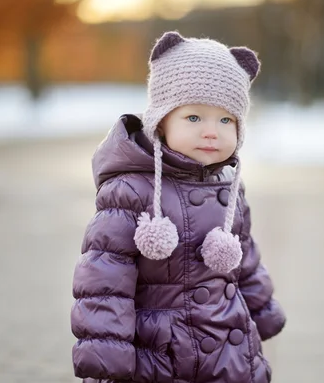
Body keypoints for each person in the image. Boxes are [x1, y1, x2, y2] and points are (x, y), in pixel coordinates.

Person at [70, 31, 286, 383]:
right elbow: (105, 277)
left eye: (225, 120)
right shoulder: (131, 188)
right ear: (161, 121)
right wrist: (106, 348)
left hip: (229, 348)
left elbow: (244, 255)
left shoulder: (228, 186)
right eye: (194, 118)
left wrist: (261, 310)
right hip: (160, 356)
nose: (212, 132)